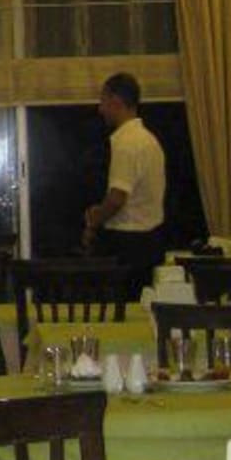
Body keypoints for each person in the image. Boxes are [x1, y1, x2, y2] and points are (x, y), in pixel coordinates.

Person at [83, 71, 167, 295]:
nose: (100, 109)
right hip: (151, 240)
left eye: (103, 102)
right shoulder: (150, 140)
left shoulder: (127, 143)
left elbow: (117, 199)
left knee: (122, 308)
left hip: (128, 244)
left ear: (116, 101)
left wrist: (94, 221)